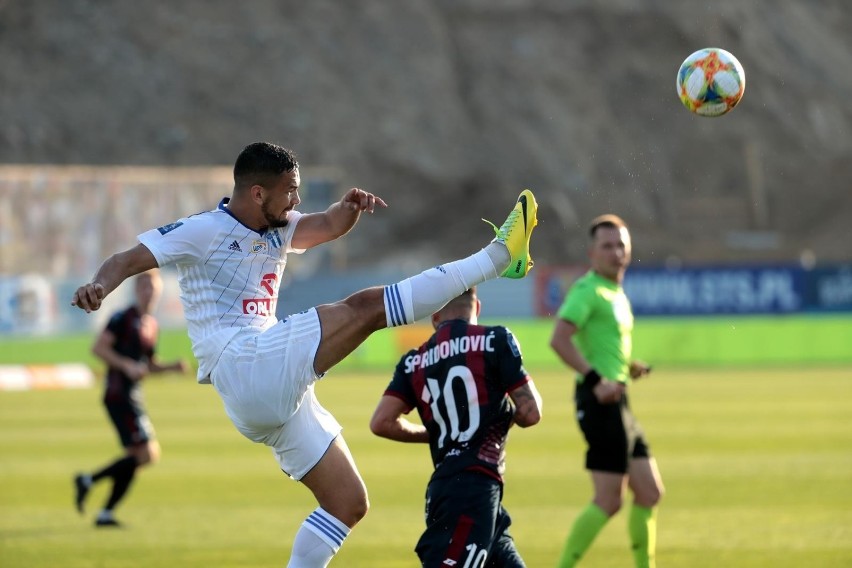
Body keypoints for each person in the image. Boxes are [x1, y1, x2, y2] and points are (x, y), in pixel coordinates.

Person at [70, 142, 538, 567]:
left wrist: (349, 209)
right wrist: (99, 286)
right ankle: (500, 257)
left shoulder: (279, 225)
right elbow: (127, 259)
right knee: (366, 307)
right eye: (290, 191)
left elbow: (329, 224)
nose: (296, 200)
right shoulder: (202, 230)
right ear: (256, 193)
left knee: (347, 502)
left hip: (268, 393)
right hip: (244, 361)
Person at [370, 287, 543, 568]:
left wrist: (435, 432)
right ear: (478, 307)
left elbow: (382, 422)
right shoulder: (495, 339)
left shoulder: (413, 361)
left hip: (451, 489)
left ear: (434, 315)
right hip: (474, 490)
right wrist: (505, 417)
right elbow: (531, 412)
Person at [549, 214, 663, 568]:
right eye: (607, 246)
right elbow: (559, 339)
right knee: (608, 500)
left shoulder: (616, 292)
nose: (616, 252)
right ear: (592, 253)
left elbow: (602, 348)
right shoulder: (589, 290)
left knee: (649, 491)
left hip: (620, 401)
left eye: (621, 246)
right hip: (599, 402)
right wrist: (597, 380)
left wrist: (628, 368)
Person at [74, 268, 188, 527]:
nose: (149, 293)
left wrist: (170, 367)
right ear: (137, 290)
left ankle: (105, 513)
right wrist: (125, 365)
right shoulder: (122, 317)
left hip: (133, 394)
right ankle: (89, 481)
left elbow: (147, 365)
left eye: (154, 289)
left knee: (133, 459)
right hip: (118, 393)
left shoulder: (151, 325)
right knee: (148, 453)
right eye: (145, 288)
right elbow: (98, 348)